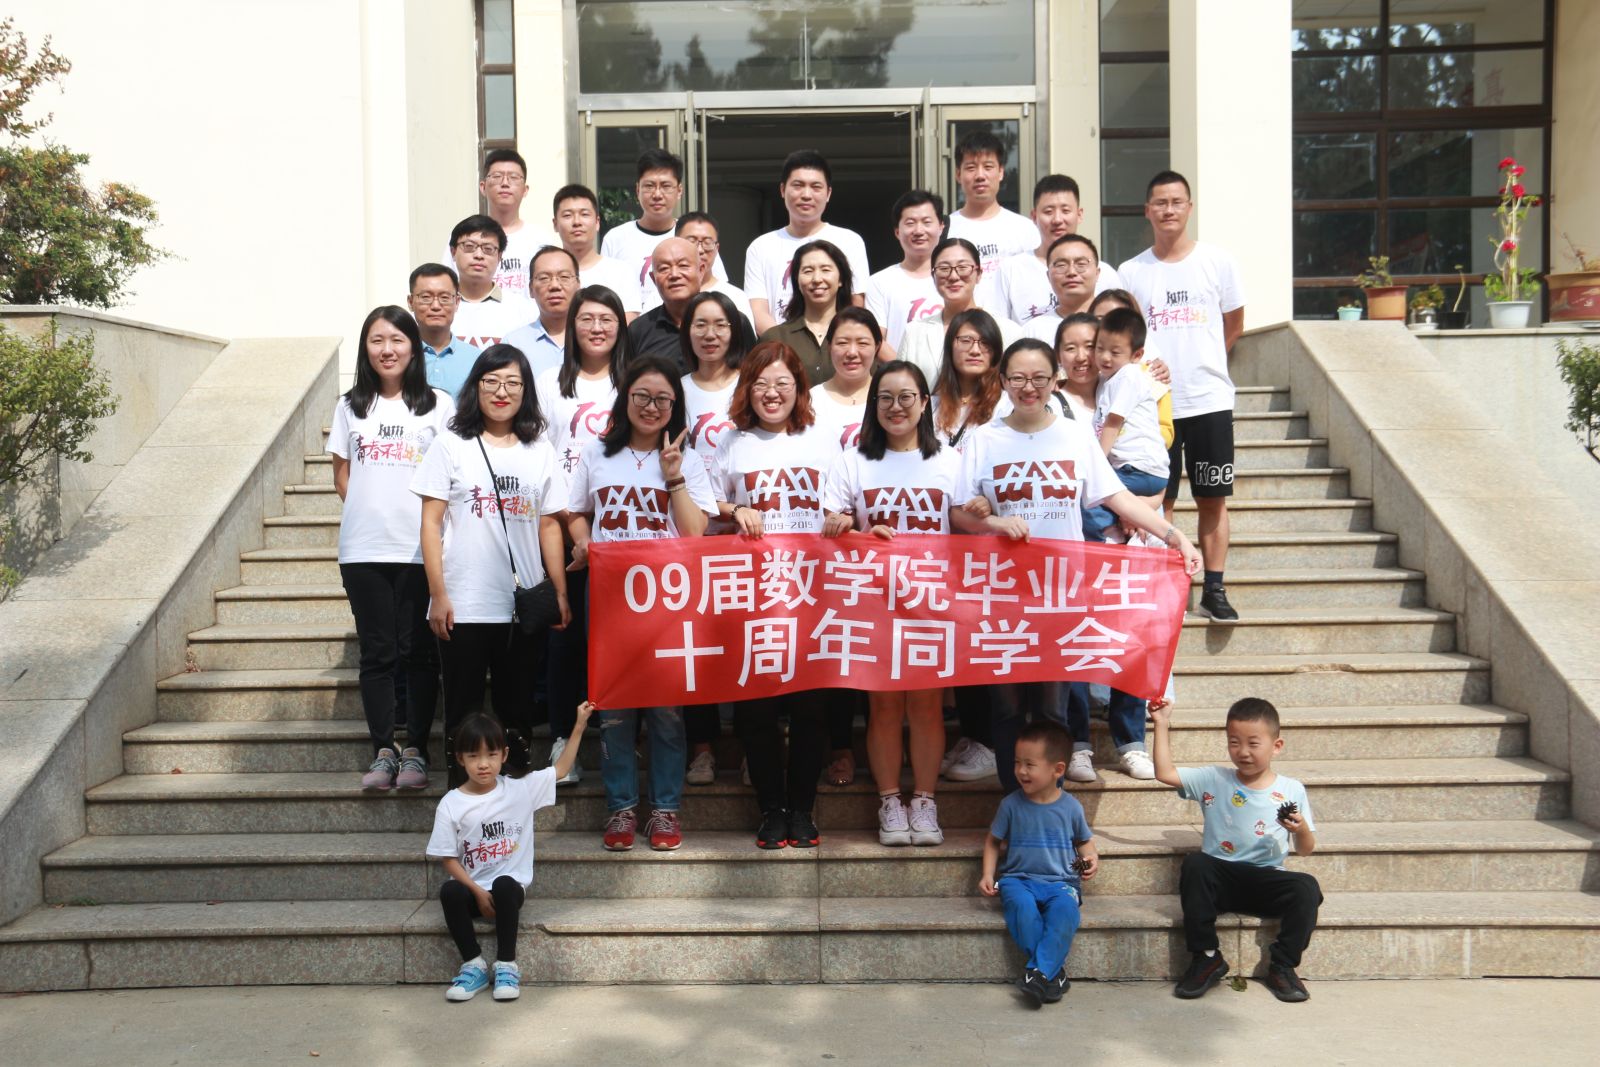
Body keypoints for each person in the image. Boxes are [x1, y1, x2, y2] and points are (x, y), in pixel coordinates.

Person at [952, 338, 1201, 793]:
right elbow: (958, 513)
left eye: (1039, 378)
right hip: (1003, 594)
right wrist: (995, 522)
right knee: (1006, 708)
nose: (1029, 387)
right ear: (1003, 381)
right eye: (1018, 378)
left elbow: (1117, 497)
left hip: (1061, 595)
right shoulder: (984, 438)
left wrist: (1174, 535)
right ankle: (1013, 804)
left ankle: (1050, 802)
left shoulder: (1073, 435)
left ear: (1055, 381)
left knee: (1053, 708)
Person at [566, 357, 716, 852]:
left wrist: (673, 477)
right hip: (610, 596)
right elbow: (576, 512)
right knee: (613, 706)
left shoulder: (689, 460)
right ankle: (622, 807)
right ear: (625, 399)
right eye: (642, 397)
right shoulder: (596, 452)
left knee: (666, 710)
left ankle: (665, 809)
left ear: (675, 405)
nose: (651, 407)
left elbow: (694, 533)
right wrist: (583, 540)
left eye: (662, 399)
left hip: (668, 599)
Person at [412, 345, 571, 787]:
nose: (502, 392)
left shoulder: (539, 448)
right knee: (462, 709)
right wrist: (438, 594)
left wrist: (559, 591)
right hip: (463, 601)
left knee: (517, 709)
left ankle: (514, 798)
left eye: (513, 383)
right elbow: (430, 524)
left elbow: (549, 525)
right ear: (476, 386)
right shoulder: (451, 444)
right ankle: (462, 800)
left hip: (520, 606)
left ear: (526, 390)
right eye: (492, 381)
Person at [823, 360, 965, 847]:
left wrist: (987, 515)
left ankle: (924, 800)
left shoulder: (950, 459)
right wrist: (854, 529)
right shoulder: (853, 460)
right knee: (883, 705)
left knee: (926, 706)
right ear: (873, 404)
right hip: (873, 601)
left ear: (925, 403)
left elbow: (965, 522)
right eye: (885, 397)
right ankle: (889, 801)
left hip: (932, 600)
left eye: (906, 397)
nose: (896, 406)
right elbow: (829, 527)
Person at [710, 342, 843, 849]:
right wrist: (733, 510)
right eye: (761, 384)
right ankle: (771, 809)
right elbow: (705, 501)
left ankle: (802, 809)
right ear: (747, 389)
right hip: (752, 593)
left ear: (799, 389)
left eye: (783, 383)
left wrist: (842, 519)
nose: (772, 393)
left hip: (812, 591)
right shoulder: (732, 443)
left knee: (811, 708)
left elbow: (842, 504)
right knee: (756, 708)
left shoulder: (822, 440)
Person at [333, 306, 453, 792]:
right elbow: (343, 475)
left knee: (419, 652)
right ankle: (384, 749)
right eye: (377, 340)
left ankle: (417, 750)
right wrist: (372, 510)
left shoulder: (438, 405)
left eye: (397, 340)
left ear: (413, 347)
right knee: (378, 654)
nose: (387, 349)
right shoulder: (349, 406)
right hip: (363, 550)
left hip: (420, 548)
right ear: (365, 348)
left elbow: (451, 475)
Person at [1118, 170, 1246, 621]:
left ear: (1189, 207)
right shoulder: (1131, 272)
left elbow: (1234, 324)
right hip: (1155, 406)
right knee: (1162, 499)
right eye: (1160, 202)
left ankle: (1214, 588)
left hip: (1209, 400)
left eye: (1176, 202)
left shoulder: (1218, 262)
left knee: (1212, 497)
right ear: (1147, 210)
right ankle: (1164, 588)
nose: (1168, 210)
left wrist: (1205, 363)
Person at [1150, 696, 1321, 1003]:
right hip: (1220, 881)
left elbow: (1306, 850)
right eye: (1234, 742)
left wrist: (1301, 829)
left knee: (1307, 887)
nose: (1243, 752)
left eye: (1253, 743)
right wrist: (1162, 723)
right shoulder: (1213, 779)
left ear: (1276, 746)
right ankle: (1206, 957)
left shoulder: (1292, 789)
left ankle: (1282, 966)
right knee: (1196, 864)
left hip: (1266, 881)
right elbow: (1165, 772)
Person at [428, 706, 591, 1002]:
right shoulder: (451, 803)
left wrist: (579, 725)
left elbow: (561, 770)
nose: (483, 764)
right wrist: (477, 892)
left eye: (491, 755)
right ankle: (473, 965)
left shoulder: (520, 789)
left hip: (509, 892)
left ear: (504, 755)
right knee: (449, 891)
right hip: (473, 890)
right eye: (473, 756)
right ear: (460, 758)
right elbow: (448, 859)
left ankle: (506, 965)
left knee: (504, 884)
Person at [538, 285, 633, 784]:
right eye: (587, 319)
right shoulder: (549, 384)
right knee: (567, 635)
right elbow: (542, 458)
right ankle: (563, 739)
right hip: (563, 526)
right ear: (571, 326)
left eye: (607, 319)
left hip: (629, 530)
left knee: (627, 638)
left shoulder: (632, 381)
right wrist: (577, 530)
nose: (597, 328)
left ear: (621, 325)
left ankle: (627, 739)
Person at [677, 290, 749, 786]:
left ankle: (747, 745)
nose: (710, 334)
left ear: (734, 329)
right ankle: (701, 747)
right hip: (693, 536)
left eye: (720, 324)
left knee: (748, 644)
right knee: (696, 644)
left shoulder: (751, 384)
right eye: (700, 325)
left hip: (747, 538)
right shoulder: (677, 388)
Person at [979, 721, 1098, 1007]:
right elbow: (993, 841)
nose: (1021, 771)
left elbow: (1084, 842)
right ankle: (1049, 973)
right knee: (1021, 907)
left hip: (1062, 882)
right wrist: (987, 874)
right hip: (1017, 879)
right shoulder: (1010, 804)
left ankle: (1039, 973)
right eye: (1017, 762)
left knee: (1066, 912)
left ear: (1058, 770)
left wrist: (1091, 859)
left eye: (1029, 764)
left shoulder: (1071, 807)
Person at [743, 150, 871, 334]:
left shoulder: (850, 241)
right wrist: (786, 345)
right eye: (798, 185)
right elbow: (758, 311)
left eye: (816, 187)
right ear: (782, 190)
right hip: (779, 348)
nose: (806, 195)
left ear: (828, 193)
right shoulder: (760, 247)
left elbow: (856, 303)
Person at [601, 148, 727, 311]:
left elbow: (717, 287)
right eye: (649, 186)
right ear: (638, 190)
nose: (657, 194)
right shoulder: (615, 238)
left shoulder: (694, 236)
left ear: (679, 190)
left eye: (666, 186)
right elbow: (605, 296)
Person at [1087, 307, 1170, 546]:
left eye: (1115, 352)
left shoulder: (1129, 375)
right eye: (1099, 348)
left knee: (1090, 500)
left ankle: (1121, 538)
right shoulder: (1108, 378)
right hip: (1136, 469)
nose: (1105, 357)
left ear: (1137, 354)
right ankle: (1139, 518)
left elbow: (1113, 423)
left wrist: (1095, 466)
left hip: (1138, 468)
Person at [994, 175, 1124, 326]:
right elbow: (1000, 326)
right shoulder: (1011, 269)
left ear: (1079, 214)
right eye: (1048, 212)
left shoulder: (1105, 274)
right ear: (1034, 216)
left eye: (1065, 211)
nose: (1057, 220)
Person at [897, 238, 1022, 386]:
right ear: (933, 276)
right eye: (944, 268)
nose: (953, 276)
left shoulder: (1008, 331)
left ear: (979, 274)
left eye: (963, 267)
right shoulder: (914, 332)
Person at [442, 149, 554, 313]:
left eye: (513, 177)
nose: (505, 183)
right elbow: (447, 284)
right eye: (496, 176)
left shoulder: (541, 240)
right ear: (483, 187)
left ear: (525, 190)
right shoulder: (464, 237)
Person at [944, 130, 1039, 307]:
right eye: (971, 168)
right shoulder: (945, 230)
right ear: (958, 174)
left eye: (988, 167)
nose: (980, 176)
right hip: (961, 323)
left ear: (1001, 172)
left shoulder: (1025, 229)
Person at [630, 236, 757, 365]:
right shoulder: (638, 330)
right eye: (664, 268)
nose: (674, 275)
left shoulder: (734, 322)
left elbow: (753, 372)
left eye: (683, 266)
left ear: (701, 271)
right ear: (653, 278)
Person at [759, 239, 855, 385]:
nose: (817, 279)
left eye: (825, 270)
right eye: (808, 271)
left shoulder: (858, 335)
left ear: (841, 279)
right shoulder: (775, 337)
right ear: (796, 280)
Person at [863, 190, 945, 351]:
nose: (919, 231)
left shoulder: (956, 279)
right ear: (897, 232)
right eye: (910, 223)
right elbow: (876, 340)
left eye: (927, 222)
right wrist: (903, 366)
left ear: (941, 227)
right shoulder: (879, 282)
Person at [551, 184, 641, 322]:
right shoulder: (546, 275)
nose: (577, 222)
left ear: (597, 222)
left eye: (584, 214)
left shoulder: (621, 272)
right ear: (555, 224)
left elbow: (628, 324)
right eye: (568, 215)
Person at [501, 246, 581, 376]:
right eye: (544, 278)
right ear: (531, 289)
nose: (555, 286)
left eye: (564, 277)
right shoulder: (513, 343)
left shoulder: (595, 339)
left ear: (578, 285)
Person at [808, 306, 878, 452]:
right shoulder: (811, 401)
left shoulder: (888, 400)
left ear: (877, 347)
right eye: (842, 343)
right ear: (829, 347)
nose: (852, 352)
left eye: (862, 343)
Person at [447, 215, 521, 349]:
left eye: (488, 249)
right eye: (469, 246)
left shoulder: (522, 310)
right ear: (453, 252)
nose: (479, 255)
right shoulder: (437, 307)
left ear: (499, 256)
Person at [407, 264, 481, 399]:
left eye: (444, 298)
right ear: (411, 302)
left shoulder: (477, 359)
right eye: (426, 297)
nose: (436, 306)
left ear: (457, 302)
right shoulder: (399, 356)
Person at [1021, 235, 1105, 343]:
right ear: (1048, 276)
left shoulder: (1114, 322)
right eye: (1061, 265)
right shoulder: (1033, 331)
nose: (1071, 272)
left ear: (1097, 273)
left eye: (1081, 264)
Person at [675, 211, 755, 323]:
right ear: (676, 244)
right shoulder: (661, 296)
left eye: (707, 242)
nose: (700, 250)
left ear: (717, 248)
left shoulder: (736, 297)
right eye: (691, 241)